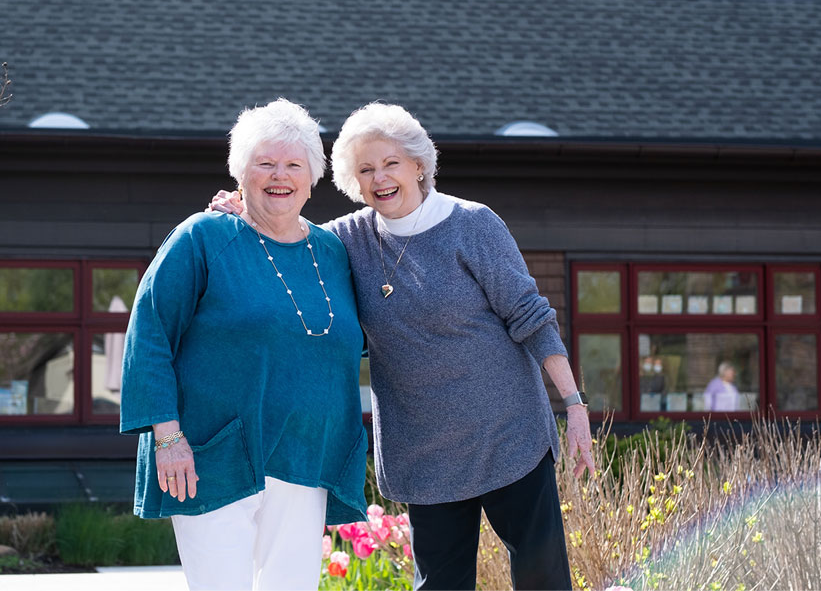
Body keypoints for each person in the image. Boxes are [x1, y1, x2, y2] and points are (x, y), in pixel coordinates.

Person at [212, 102, 595, 590]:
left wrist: (574, 404)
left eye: (391, 163)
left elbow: (531, 316)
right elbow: (285, 234)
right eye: (366, 169)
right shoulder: (345, 240)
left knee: (542, 579)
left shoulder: (472, 225)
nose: (380, 178)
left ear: (418, 164)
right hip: (424, 450)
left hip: (507, 433)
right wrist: (241, 209)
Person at [121, 99, 368, 591]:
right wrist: (167, 437)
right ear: (241, 172)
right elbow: (148, 334)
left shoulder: (334, 251)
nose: (281, 176)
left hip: (306, 456)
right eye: (266, 163)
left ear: (313, 175)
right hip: (213, 455)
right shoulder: (203, 237)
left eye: (294, 164)